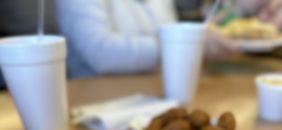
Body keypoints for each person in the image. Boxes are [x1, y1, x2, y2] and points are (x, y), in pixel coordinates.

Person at [55, 0, 237, 78]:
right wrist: (184, 45)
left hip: (156, 94)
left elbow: (167, 30)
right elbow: (100, 52)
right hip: (97, 102)